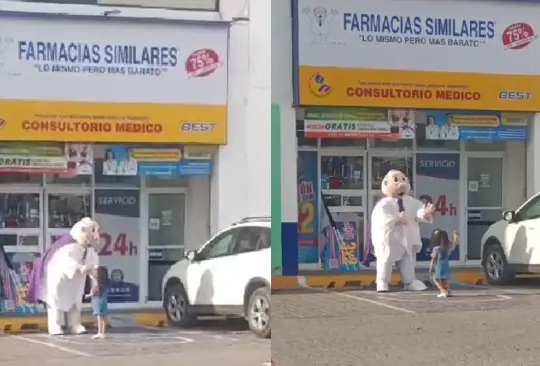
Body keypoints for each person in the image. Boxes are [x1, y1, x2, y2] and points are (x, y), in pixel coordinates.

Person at [429, 229, 460, 298]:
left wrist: (430, 267)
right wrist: (455, 238)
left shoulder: (436, 248)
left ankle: (443, 291)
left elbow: (433, 259)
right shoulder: (447, 247)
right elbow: (454, 246)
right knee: (444, 279)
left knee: (436, 278)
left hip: (439, 265)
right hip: (446, 264)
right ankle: (448, 290)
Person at [86, 266, 109, 339]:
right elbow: (92, 276)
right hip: (103, 301)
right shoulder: (106, 282)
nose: (94, 273)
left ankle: (99, 332)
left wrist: (89, 295)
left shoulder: (97, 284)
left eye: (96, 272)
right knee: (103, 316)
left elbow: (95, 292)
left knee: (99, 317)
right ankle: (103, 332)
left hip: (97, 301)